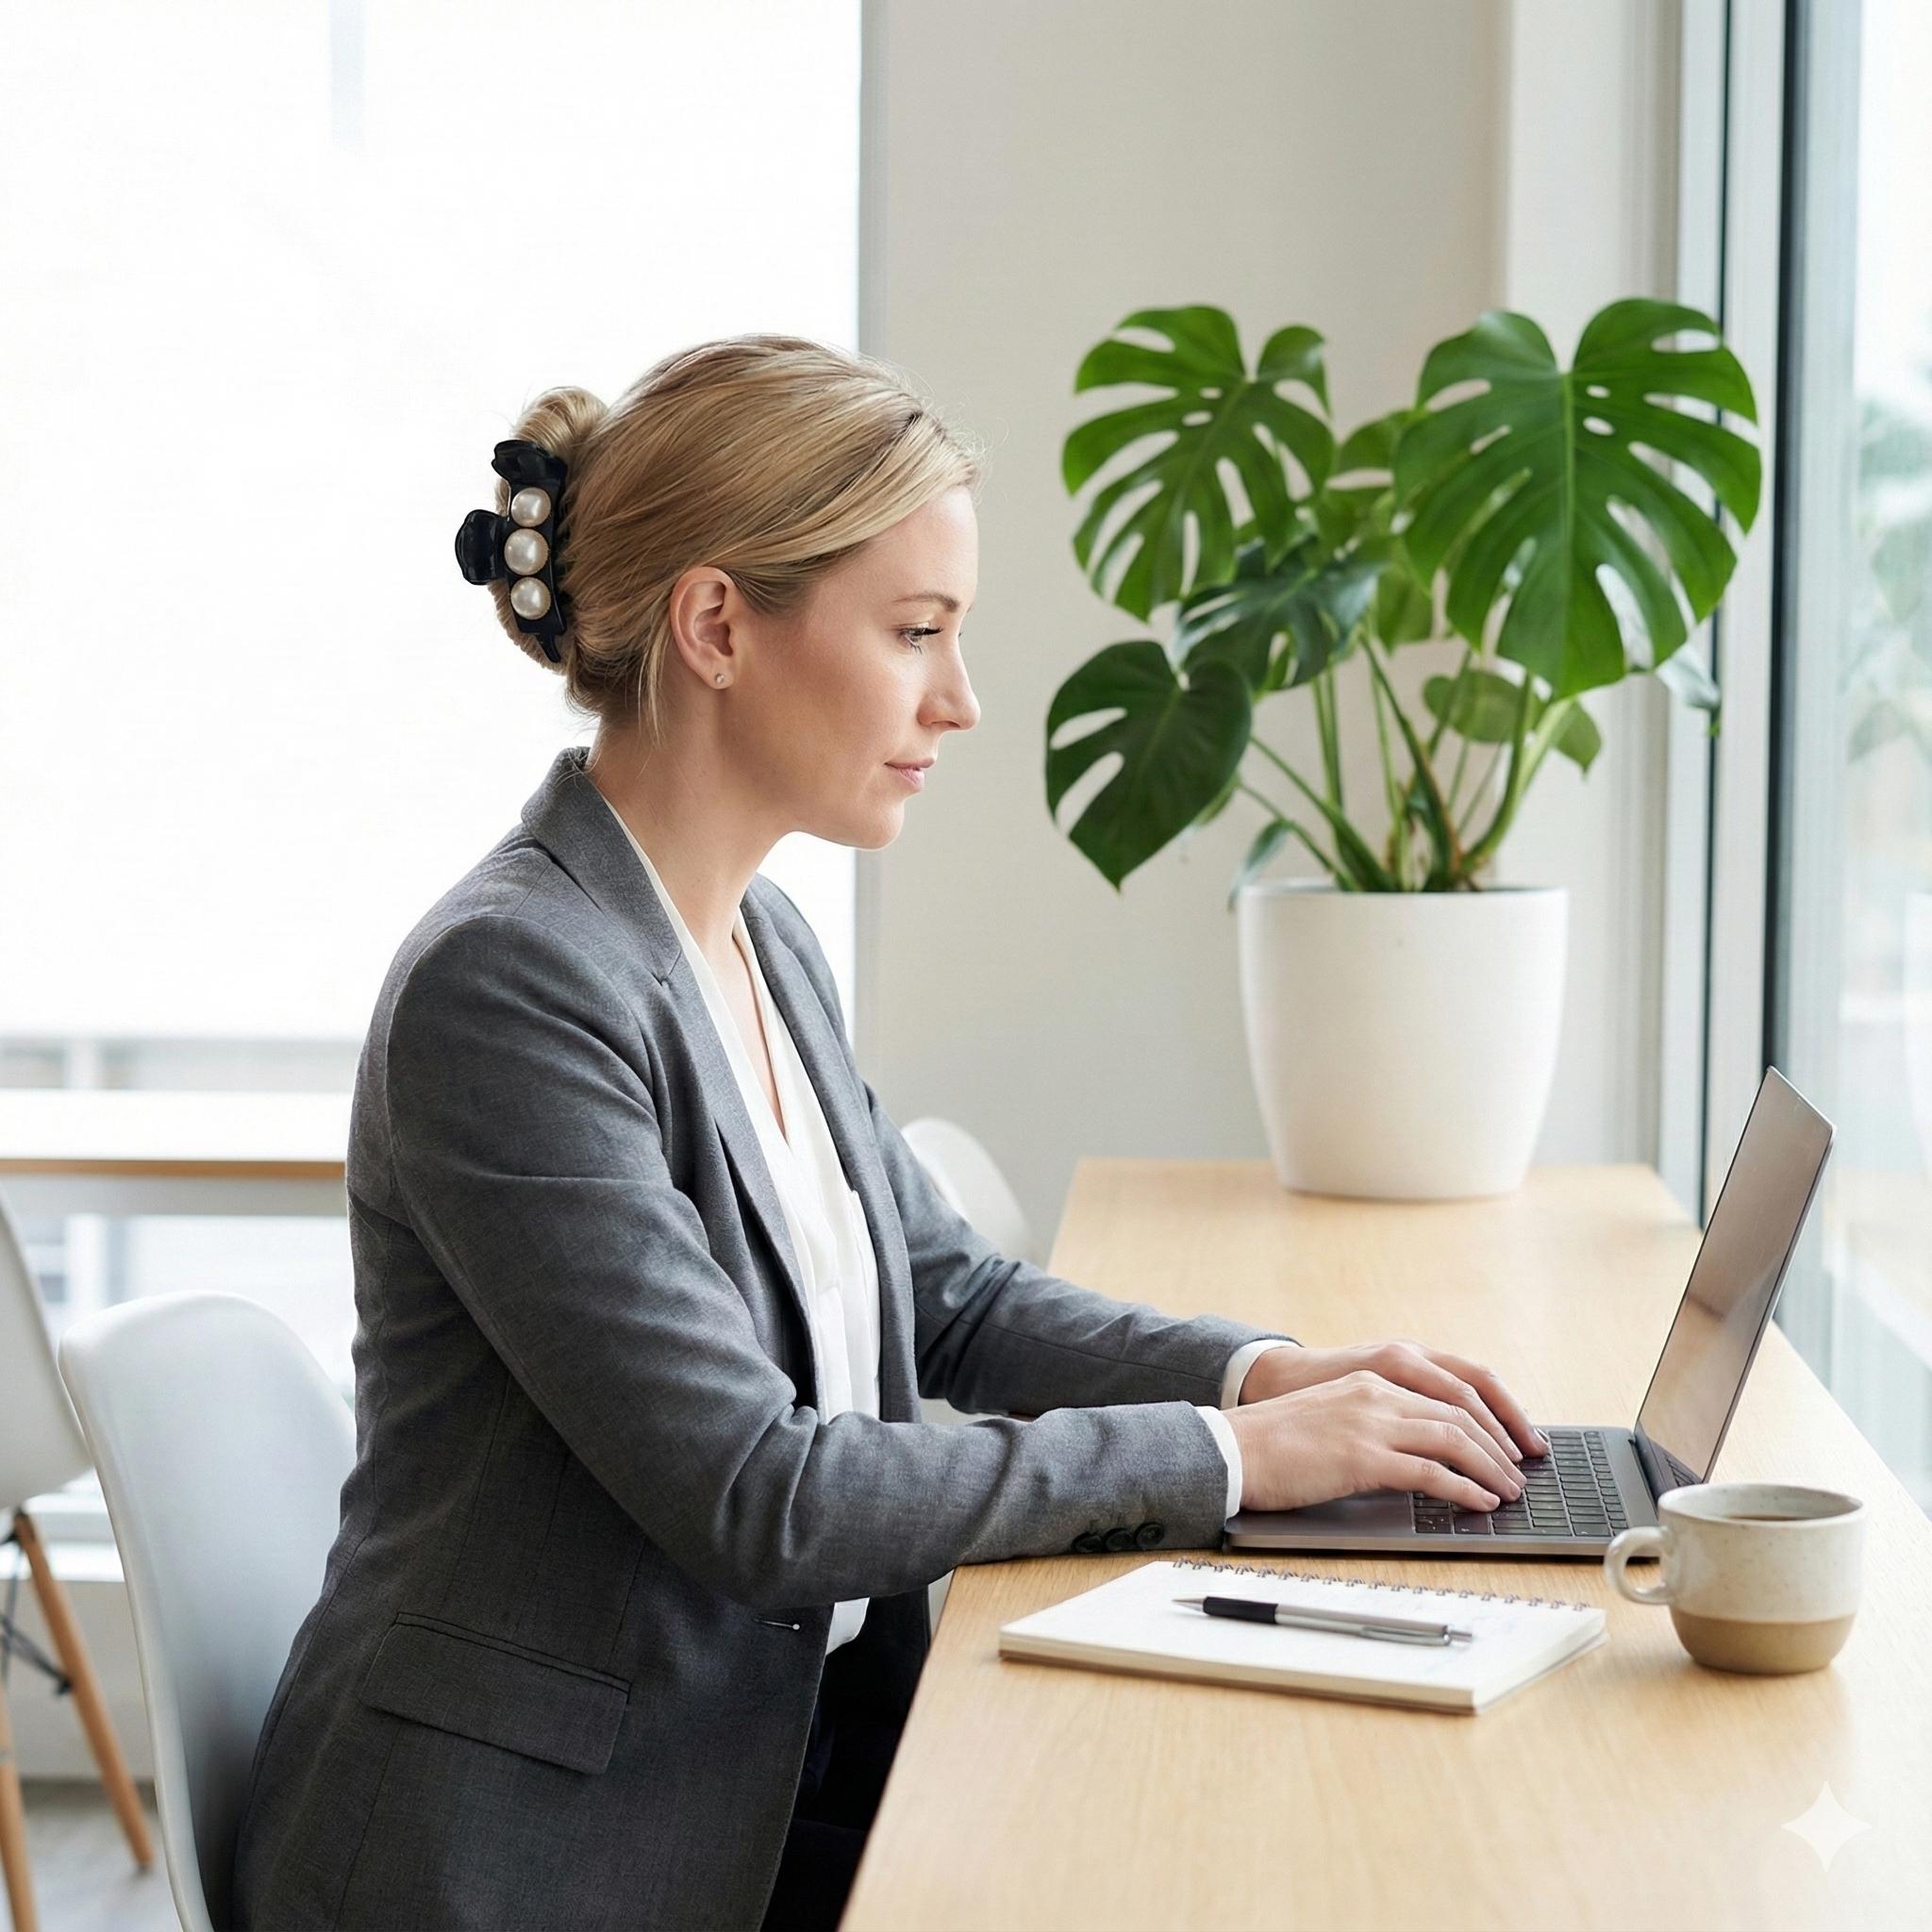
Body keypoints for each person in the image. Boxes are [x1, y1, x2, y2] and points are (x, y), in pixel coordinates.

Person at [228, 334, 1548, 1932]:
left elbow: (955, 1301)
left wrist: (1267, 1376)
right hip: (524, 1861)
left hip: (784, 1780)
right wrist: (1233, 1461)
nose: (962, 699)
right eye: (915, 630)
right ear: (719, 623)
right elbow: (760, 1494)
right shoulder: (512, 987)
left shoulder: (761, 940)